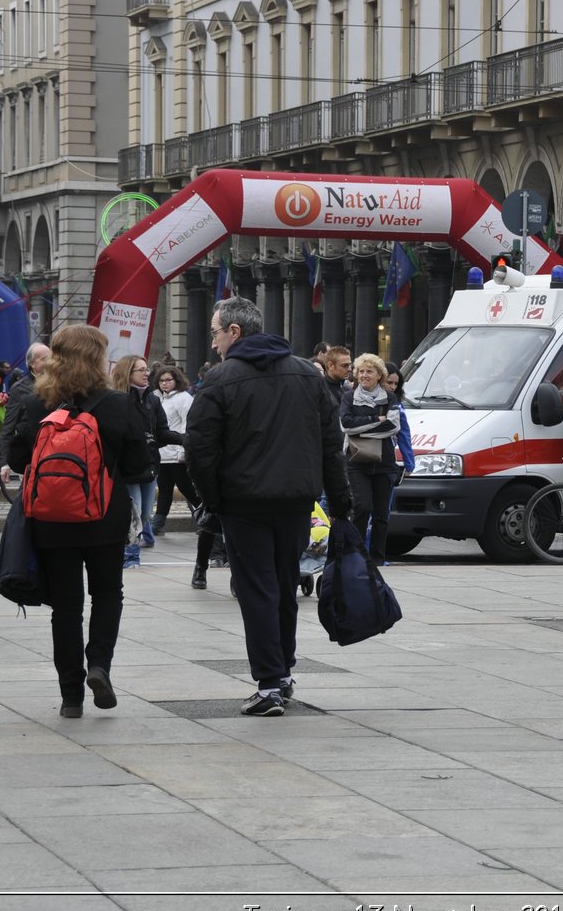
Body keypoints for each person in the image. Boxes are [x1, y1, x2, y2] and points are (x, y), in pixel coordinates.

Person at [186, 297, 352, 716]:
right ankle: (284, 671)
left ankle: (269, 683)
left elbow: (200, 449)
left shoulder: (221, 379)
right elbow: (332, 445)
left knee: (257, 590)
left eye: (215, 333)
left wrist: (213, 500)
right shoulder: (307, 375)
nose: (213, 343)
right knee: (283, 587)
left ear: (234, 332)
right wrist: (340, 500)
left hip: (244, 503)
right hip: (296, 500)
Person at [6, 325, 152, 715]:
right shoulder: (119, 405)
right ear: (97, 359)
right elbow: (140, 466)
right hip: (105, 517)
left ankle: (71, 697)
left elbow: (17, 459)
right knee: (107, 593)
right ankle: (99, 665)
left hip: (52, 521)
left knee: (66, 608)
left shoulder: (37, 403)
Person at [110, 356, 178, 568]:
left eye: (146, 369)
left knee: (146, 512)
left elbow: (162, 432)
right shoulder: (117, 400)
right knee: (135, 511)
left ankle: (133, 542)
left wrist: (187, 439)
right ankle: (130, 556)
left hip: (149, 465)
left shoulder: (152, 400)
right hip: (128, 468)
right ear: (128, 373)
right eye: (140, 370)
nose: (146, 373)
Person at [342, 353, 401, 565]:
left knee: (381, 515)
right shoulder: (349, 397)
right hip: (357, 462)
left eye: (370, 371)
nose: (364, 375)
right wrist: (376, 419)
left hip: (384, 463)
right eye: (361, 371)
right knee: (362, 507)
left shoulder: (390, 397)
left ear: (379, 375)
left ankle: (377, 558)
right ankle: (356, 555)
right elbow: (346, 425)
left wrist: (361, 429)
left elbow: (394, 426)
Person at [151, 365, 199, 536]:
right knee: (164, 490)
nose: (164, 383)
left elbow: (188, 424)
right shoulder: (158, 399)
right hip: (163, 455)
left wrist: (183, 452)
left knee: (188, 490)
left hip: (178, 454)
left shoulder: (184, 398)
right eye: (161, 380)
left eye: (168, 380)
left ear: (176, 380)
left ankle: (203, 520)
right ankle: (157, 524)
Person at [0, 342, 51, 486]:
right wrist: (4, 462)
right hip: (30, 453)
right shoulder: (20, 388)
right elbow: (8, 426)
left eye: (51, 358)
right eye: (44, 358)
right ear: (32, 364)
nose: (50, 362)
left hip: (53, 452)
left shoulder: (59, 384)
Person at [382, 361, 415, 558]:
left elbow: (405, 435)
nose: (393, 387)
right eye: (389, 383)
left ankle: (377, 552)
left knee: (383, 510)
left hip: (386, 462)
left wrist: (410, 462)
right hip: (362, 460)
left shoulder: (398, 405)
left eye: (396, 384)